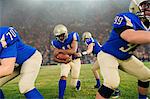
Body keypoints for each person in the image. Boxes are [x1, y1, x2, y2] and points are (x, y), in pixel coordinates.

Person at [96, 0, 150, 98]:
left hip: (125, 57)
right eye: (147, 5)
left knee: (145, 75)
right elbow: (130, 36)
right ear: (136, 7)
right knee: (112, 83)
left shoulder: (148, 25)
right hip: (108, 55)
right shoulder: (125, 17)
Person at [0, 26, 43, 99]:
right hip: (14, 64)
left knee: (25, 86)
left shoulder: (3, 35)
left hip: (29, 58)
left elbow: (7, 68)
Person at [81, 32, 120, 98]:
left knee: (107, 74)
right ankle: (98, 84)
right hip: (102, 55)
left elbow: (90, 50)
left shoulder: (89, 40)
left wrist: (82, 53)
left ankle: (116, 90)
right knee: (94, 69)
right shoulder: (93, 40)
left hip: (103, 56)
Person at [51, 24, 81, 99]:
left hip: (75, 60)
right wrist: (63, 61)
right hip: (65, 61)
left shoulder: (73, 36)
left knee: (73, 84)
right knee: (63, 76)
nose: (61, 37)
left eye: (62, 35)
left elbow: (73, 51)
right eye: (59, 36)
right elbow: (54, 58)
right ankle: (60, 97)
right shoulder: (55, 43)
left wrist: (59, 50)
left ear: (66, 33)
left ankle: (77, 83)